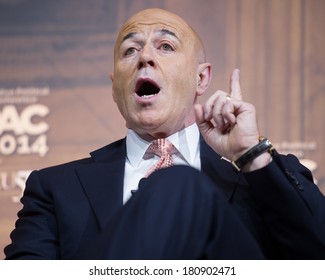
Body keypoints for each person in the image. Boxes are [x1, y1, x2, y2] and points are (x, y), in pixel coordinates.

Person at [4, 8, 325, 260]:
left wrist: (251, 157)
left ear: (201, 78)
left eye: (166, 46)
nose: (145, 57)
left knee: (179, 183)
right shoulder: (54, 188)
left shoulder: (264, 174)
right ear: (115, 88)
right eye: (130, 50)